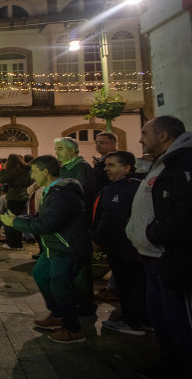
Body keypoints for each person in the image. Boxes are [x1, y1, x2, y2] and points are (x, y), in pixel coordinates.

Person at [0, 155, 92, 344]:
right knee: (41, 275)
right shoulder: (52, 191)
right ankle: (57, 314)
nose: (32, 175)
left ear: (46, 172)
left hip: (67, 247)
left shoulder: (63, 194)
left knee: (60, 286)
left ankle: (73, 329)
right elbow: (42, 217)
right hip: (54, 247)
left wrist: (16, 222)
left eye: (34, 171)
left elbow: (49, 223)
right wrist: (21, 219)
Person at [126, 116, 192, 377]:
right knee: (163, 320)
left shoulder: (182, 163)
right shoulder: (163, 162)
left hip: (171, 257)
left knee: (181, 323)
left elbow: (185, 213)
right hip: (151, 257)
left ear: (163, 135)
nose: (141, 139)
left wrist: (155, 233)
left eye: (145, 133)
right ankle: (170, 365)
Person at [92, 150, 147, 336]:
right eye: (106, 165)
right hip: (130, 245)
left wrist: (97, 240)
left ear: (127, 168)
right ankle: (143, 320)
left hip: (122, 246)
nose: (106, 169)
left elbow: (112, 219)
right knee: (135, 283)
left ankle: (131, 322)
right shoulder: (131, 184)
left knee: (128, 284)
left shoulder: (123, 188)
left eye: (112, 165)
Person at [53, 136, 96, 314]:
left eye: (61, 149)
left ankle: (84, 305)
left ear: (72, 150)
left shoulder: (81, 167)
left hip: (75, 224)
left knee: (79, 268)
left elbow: (78, 193)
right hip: (63, 225)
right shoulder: (64, 168)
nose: (57, 153)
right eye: (57, 149)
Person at [0, 154, 30, 250]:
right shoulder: (26, 170)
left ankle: (14, 244)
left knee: (12, 220)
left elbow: (1, 179)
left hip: (14, 197)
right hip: (24, 197)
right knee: (20, 219)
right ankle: (19, 243)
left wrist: (3, 169)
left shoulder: (13, 171)